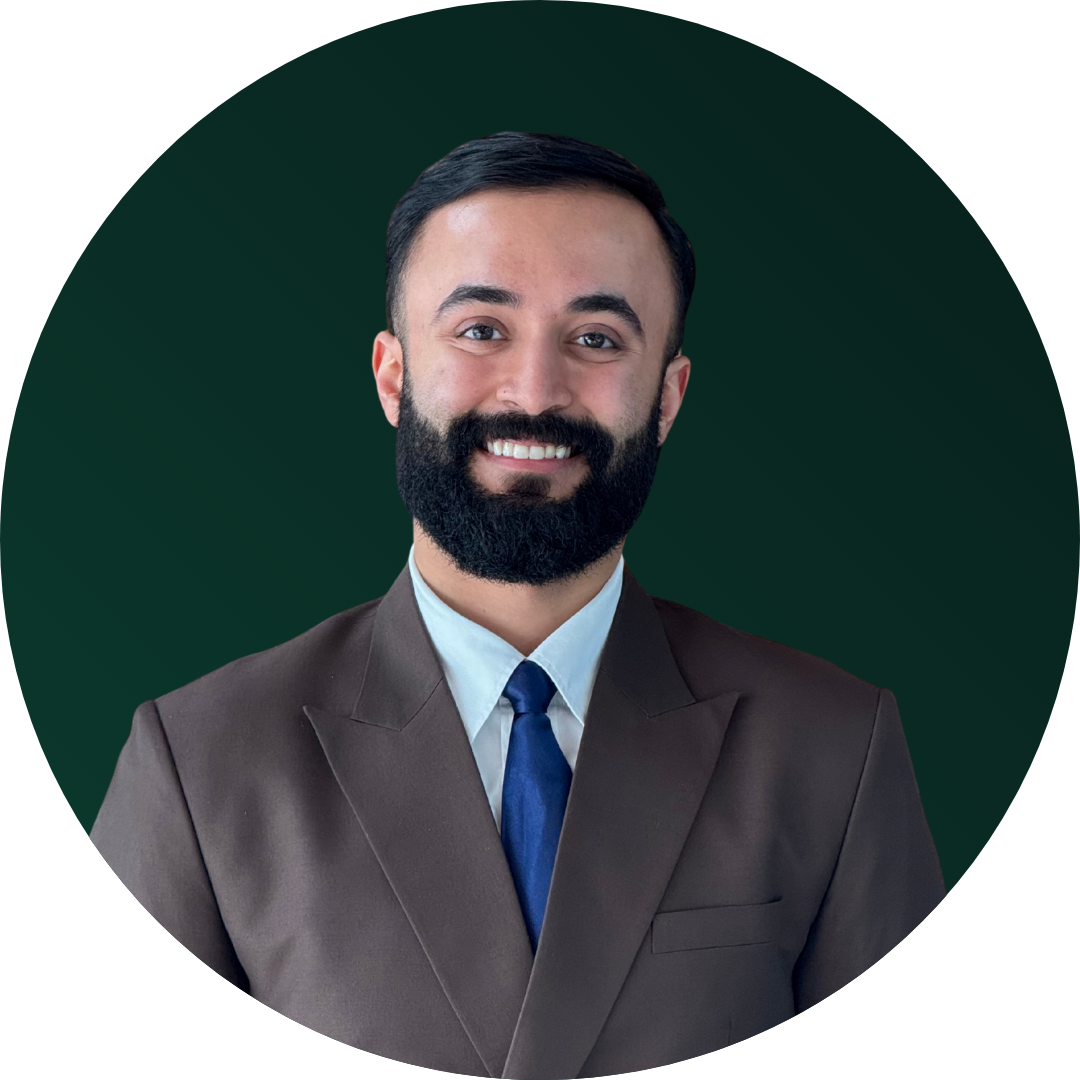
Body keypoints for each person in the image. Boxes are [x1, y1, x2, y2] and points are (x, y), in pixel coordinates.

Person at [91, 131, 944, 1078]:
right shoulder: (200, 763)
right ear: (391, 374)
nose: (535, 392)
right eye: (481, 330)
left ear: (667, 397)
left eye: (595, 339)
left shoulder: (834, 747)